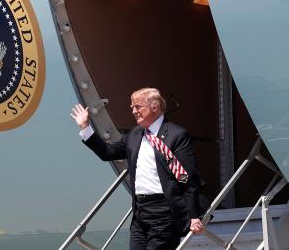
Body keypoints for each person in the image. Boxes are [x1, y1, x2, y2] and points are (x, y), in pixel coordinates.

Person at [71, 87, 205, 250]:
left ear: (154, 106)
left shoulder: (177, 135)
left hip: (165, 211)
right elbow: (108, 152)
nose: (134, 111)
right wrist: (85, 127)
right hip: (140, 212)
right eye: (132, 108)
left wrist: (194, 215)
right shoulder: (135, 134)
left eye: (138, 107)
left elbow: (187, 178)